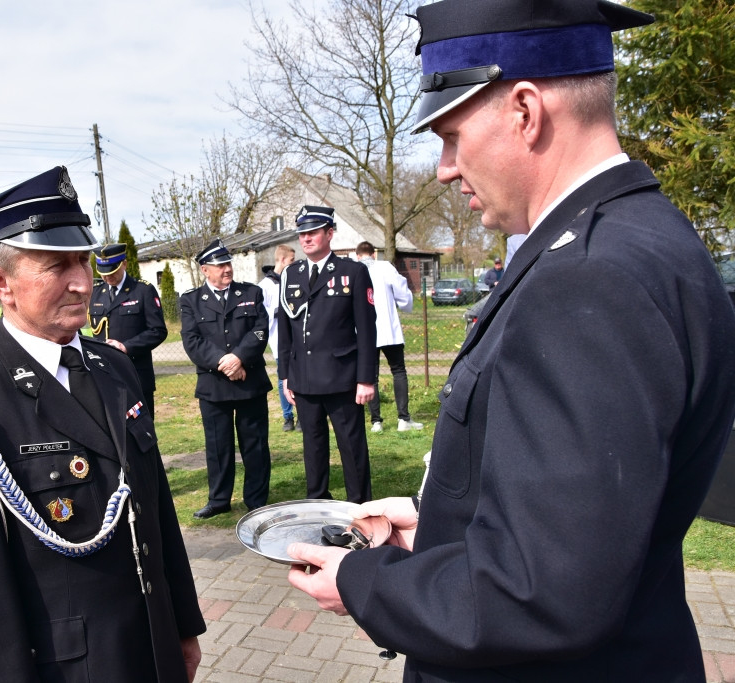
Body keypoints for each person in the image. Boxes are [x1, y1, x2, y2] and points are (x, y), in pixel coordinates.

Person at [285, 2, 735, 680]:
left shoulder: (588, 279)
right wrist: (436, 518)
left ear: (525, 111)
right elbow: (593, 509)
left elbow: (541, 592)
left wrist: (363, 580)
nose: (442, 167)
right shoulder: (642, 235)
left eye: (451, 135)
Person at [0, 166, 204, 682]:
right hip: (69, 667)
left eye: (84, 263)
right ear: (1, 283)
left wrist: (182, 624)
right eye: (55, 266)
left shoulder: (112, 367)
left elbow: (153, 505)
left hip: (151, 648)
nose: (82, 282)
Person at [277, 206, 377, 504]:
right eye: (302, 234)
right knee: (313, 445)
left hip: (342, 378)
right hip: (304, 378)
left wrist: (366, 379)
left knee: (351, 446)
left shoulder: (353, 272)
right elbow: (285, 330)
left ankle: (360, 505)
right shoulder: (290, 274)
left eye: (312, 232)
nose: (306, 239)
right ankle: (317, 501)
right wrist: (285, 375)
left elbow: (367, 330)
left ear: (329, 233)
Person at [180, 238, 272, 519]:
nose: (227, 269)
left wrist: (240, 358)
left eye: (228, 263)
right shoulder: (191, 300)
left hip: (250, 382)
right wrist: (227, 364)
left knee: (255, 444)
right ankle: (219, 500)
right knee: (218, 447)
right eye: (220, 265)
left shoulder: (251, 292)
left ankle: (256, 499)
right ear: (205, 269)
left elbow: (259, 331)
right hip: (214, 385)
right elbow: (192, 341)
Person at [88, 243, 168, 418]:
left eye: (112, 271)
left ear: (124, 264)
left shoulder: (142, 290)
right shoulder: (95, 293)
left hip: (136, 375)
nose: (107, 276)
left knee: (142, 430)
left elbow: (158, 331)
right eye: (103, 271)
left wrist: (126, 347)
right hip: (105, 376)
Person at [355, 241, 421, 433]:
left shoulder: (353, 269)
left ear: (358, 255)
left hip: (365, 332)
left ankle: (376, 422)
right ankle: (403, 419)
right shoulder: (385, 267)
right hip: (389, 328)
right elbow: (402, 291)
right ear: (373, 254)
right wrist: (406, 306)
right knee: (398, 371)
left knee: (371, 375)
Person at [257, 244, 299, 432]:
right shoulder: (265, 286)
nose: (294, 263)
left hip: (298, 338)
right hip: (279, 339)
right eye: (291, 260)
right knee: (284, 378)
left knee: (300, 374)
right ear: (282, 260)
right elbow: (261, 315)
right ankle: (287, 417)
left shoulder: (294, 281)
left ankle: (303, 416)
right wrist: (279, 311)